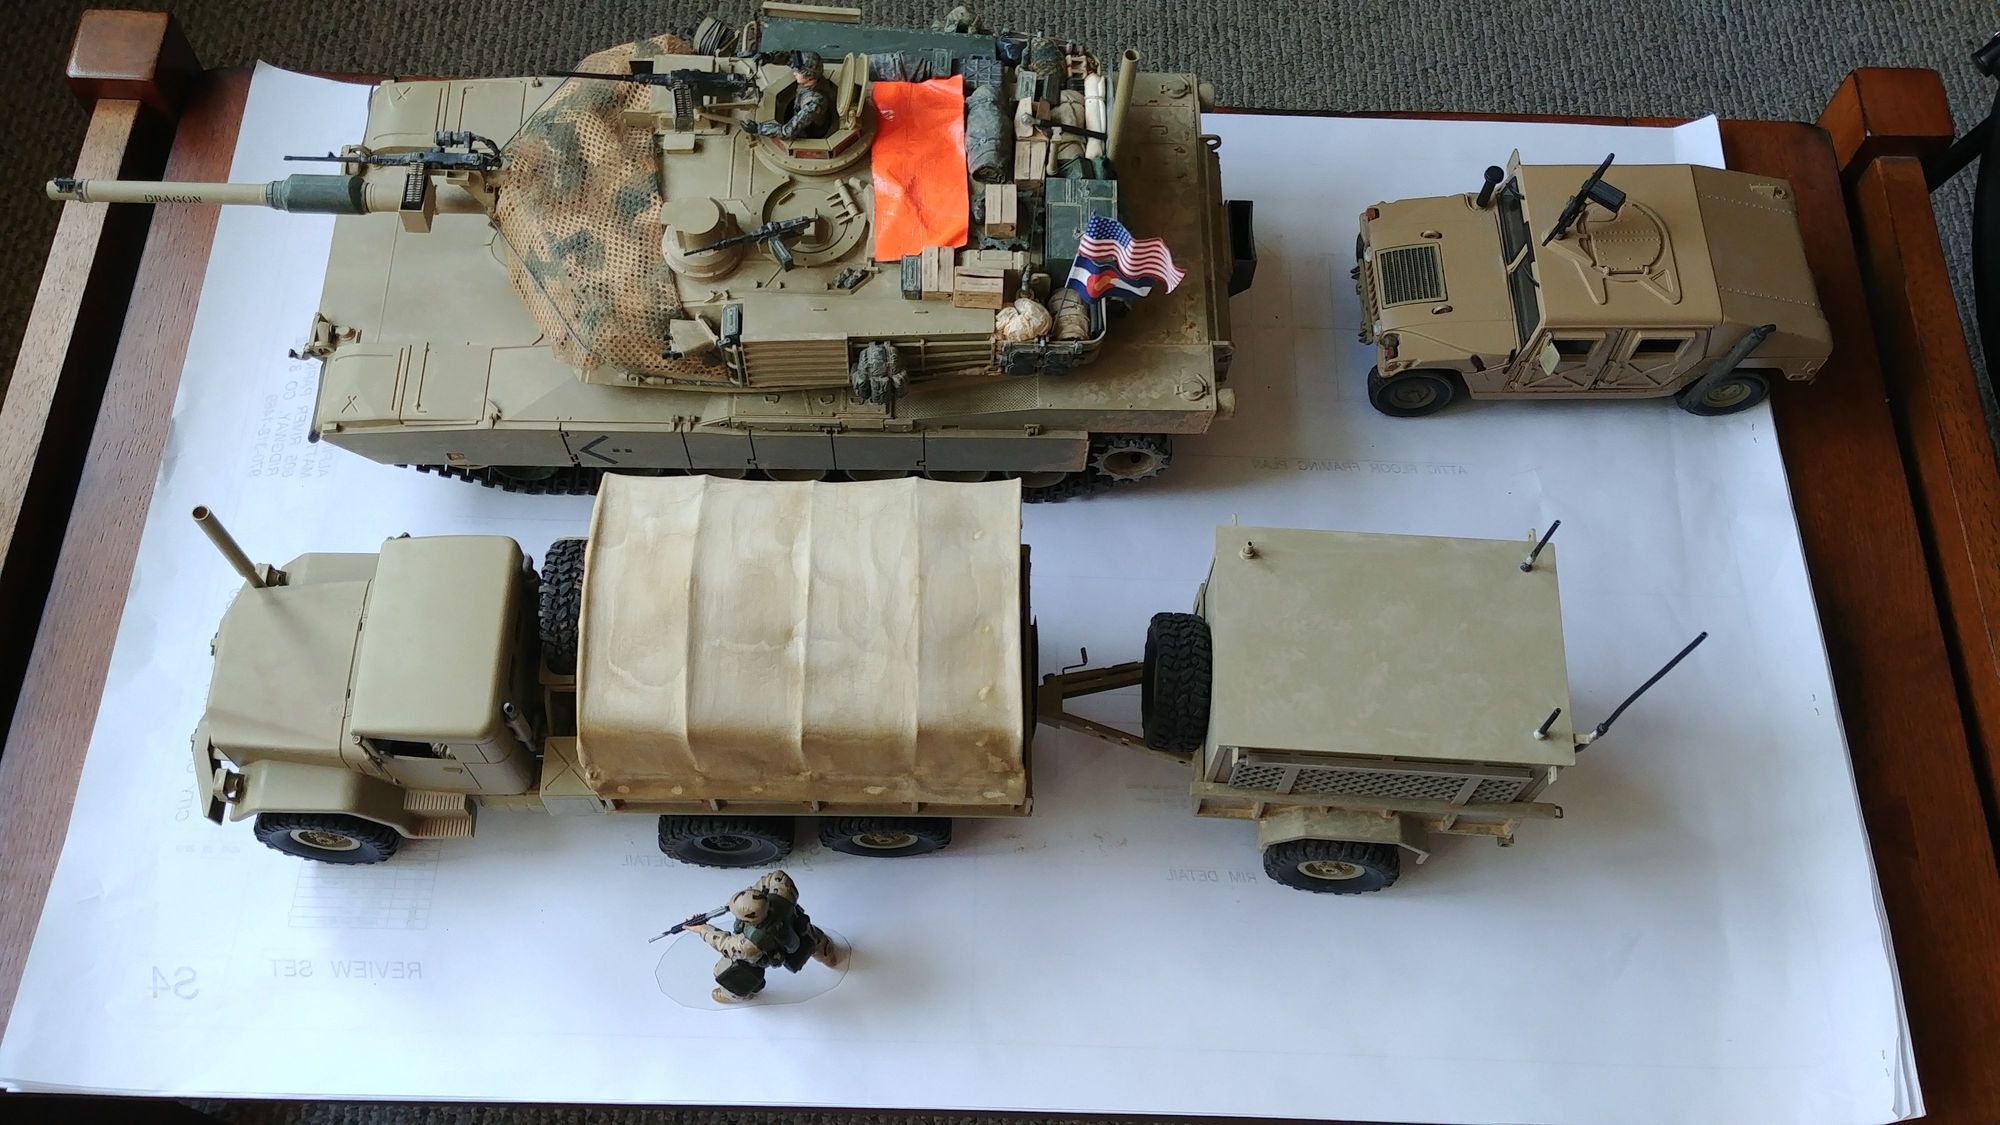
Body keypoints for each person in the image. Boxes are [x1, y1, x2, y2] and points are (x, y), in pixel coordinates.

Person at [685, 869, 840, 1003]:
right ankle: (828, 954)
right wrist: (750, 896)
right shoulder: (783, 893)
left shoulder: (750, 944)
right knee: (813, 936)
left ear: (748, 920)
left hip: (765, 952)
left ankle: (734, 995)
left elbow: (725, 944)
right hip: (795, 927)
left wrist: (702, 929)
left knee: (724, 970)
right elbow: (776, 877)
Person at [751, 52, 833, 141]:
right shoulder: (812, 77)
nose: (794, 73)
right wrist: (769, 57)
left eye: (798, 72)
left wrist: (759, 129)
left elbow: (788, 132)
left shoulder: (814, 102)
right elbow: (788, 59)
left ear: (809, 76)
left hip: (809, 131)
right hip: (801, 111)